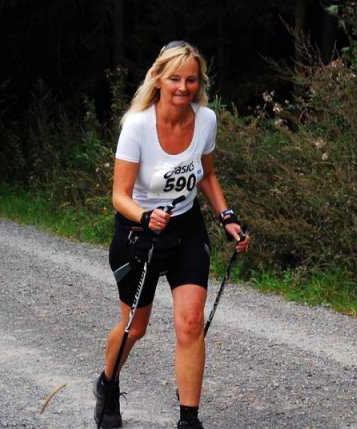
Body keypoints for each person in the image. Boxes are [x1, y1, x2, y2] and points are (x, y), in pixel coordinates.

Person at [93, 40, 250, 429]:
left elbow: (207, 175)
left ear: (199, 83)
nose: (183, 87)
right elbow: (119, 196)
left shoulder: (206, 120)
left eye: (191, 80)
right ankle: (108, 384)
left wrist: (227, 216)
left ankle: (189, 420)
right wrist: (146, 217)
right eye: (175, 79)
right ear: (158, 78)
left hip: (186, 228)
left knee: (191, 322)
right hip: (139, 233)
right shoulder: (137, 126)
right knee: (135, 328)